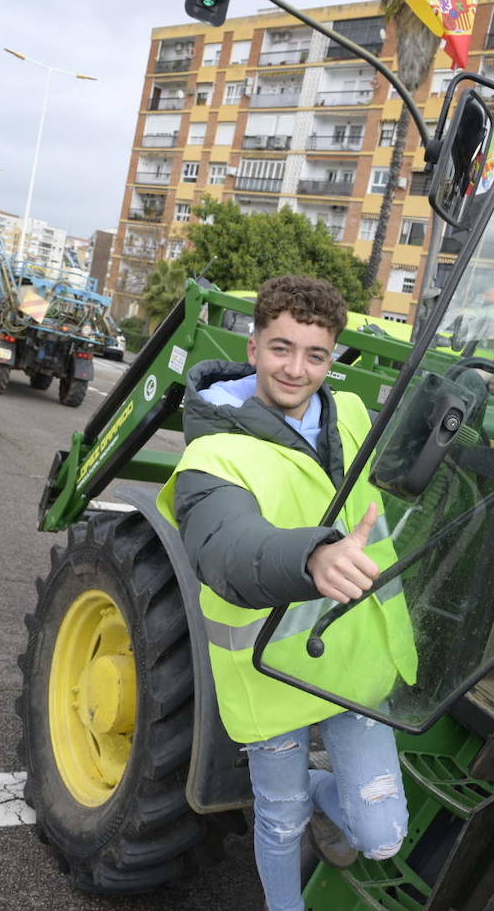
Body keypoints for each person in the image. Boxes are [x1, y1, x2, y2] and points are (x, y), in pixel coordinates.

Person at [157, 276, 416, 911]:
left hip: (352, 659)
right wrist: (311, 555)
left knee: (380, 835)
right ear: (252, 348)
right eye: (280, 348)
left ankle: (322, 793)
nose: (296, 370)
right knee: (279, 819)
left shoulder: (351, 414)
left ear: (332, 358)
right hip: (269, 671)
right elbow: (227, 545)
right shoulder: (213, 453)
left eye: (315, 355)